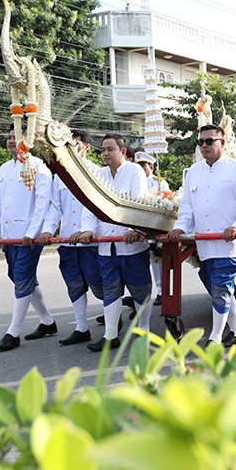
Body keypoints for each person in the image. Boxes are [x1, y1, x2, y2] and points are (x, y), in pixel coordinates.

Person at [167, 124, 236, 347]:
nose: (204, 146)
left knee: (222, 285)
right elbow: (187, 206)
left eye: (209, 141)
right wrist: (180, 227)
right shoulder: (193, 172)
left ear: (222, 143)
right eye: (200, 142)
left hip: (229, 244)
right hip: (204, 244)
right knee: (214, 285)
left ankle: (215, 337)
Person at [71, 133, 151, 352]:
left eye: (110, 149)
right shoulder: (98, 174)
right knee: (110, 290)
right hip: (107, 244)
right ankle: (110, 335)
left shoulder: (135, 171)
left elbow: (139, 202)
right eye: (103, 150)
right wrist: (87, 230)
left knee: (140, 289)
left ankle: (144, 328)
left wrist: (134, 229)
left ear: (123, 152)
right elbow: (91, 206)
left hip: (132, 244)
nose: (105, 154)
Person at [0, 129, 56, 352]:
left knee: (23, 278)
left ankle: (12, 333)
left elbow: (42, 203)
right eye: (9, 137)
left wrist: (32, 232)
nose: (12, 141)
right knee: (18, 277)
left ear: (29, 141)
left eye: (17, 137)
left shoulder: (38, 168)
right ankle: (47, 322)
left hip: (28, 238)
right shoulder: (4, 169)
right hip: (9, 237)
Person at [39, 130, 101, 346]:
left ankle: (114, 318)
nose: (71, 150)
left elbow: (97, 209)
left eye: (75, 145)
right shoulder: (61, 175)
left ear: (87, 147)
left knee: (99, 285)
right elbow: (55, 208)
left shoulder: (96, 172)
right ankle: (81, 327)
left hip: (90, 241)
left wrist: (86, 230)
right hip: (67, 241)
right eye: (68, 146)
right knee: (74, 285)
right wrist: (48, 230)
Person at [135, 151, 169, 305]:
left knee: (157, 260)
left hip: (154, 226)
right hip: (137, 226)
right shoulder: (134, 180)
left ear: (152, 167)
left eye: (144, 165)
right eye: (138, 166)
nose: (141, 169)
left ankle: (161, 291)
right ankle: (133, 295)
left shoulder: (159, 182)